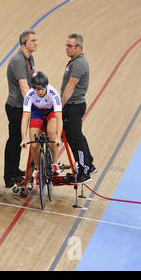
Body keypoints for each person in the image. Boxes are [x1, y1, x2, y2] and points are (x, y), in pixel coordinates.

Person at [4, 29, 38, 188]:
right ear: (24, 43)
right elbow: (24, 87)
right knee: (15, 140)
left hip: (23, 106)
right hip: (17, 106)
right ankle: (9, 175)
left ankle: (15, 170)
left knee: (17, 139)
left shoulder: (29, 58)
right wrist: (35, 105)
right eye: (33, 41)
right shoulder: (18, 60)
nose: (36, 43)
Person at [60, 33, 95, 184]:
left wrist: (59, 106)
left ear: (79, 47)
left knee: (74, 137)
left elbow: (71, 85)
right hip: (73, 105)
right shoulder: (74, 62)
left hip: (73, 106)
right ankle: (88, 163)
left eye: (70, 46)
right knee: (75, 136)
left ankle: (84, 170)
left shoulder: (79, 63)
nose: (67, 49)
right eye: (66, 45)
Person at [20, 72, 63, 178]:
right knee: (34, 145)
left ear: (46, 86)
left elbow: (59, 117)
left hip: (51, 111)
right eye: (36, 89)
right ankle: (39, 169)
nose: (39, 92)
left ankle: (55, 163)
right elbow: (25, 118)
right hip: (36, 112)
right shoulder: (29, 95)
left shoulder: (53, 93)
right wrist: (23, 138)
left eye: (41, 89)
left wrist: (58, 137)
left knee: (52, 133)